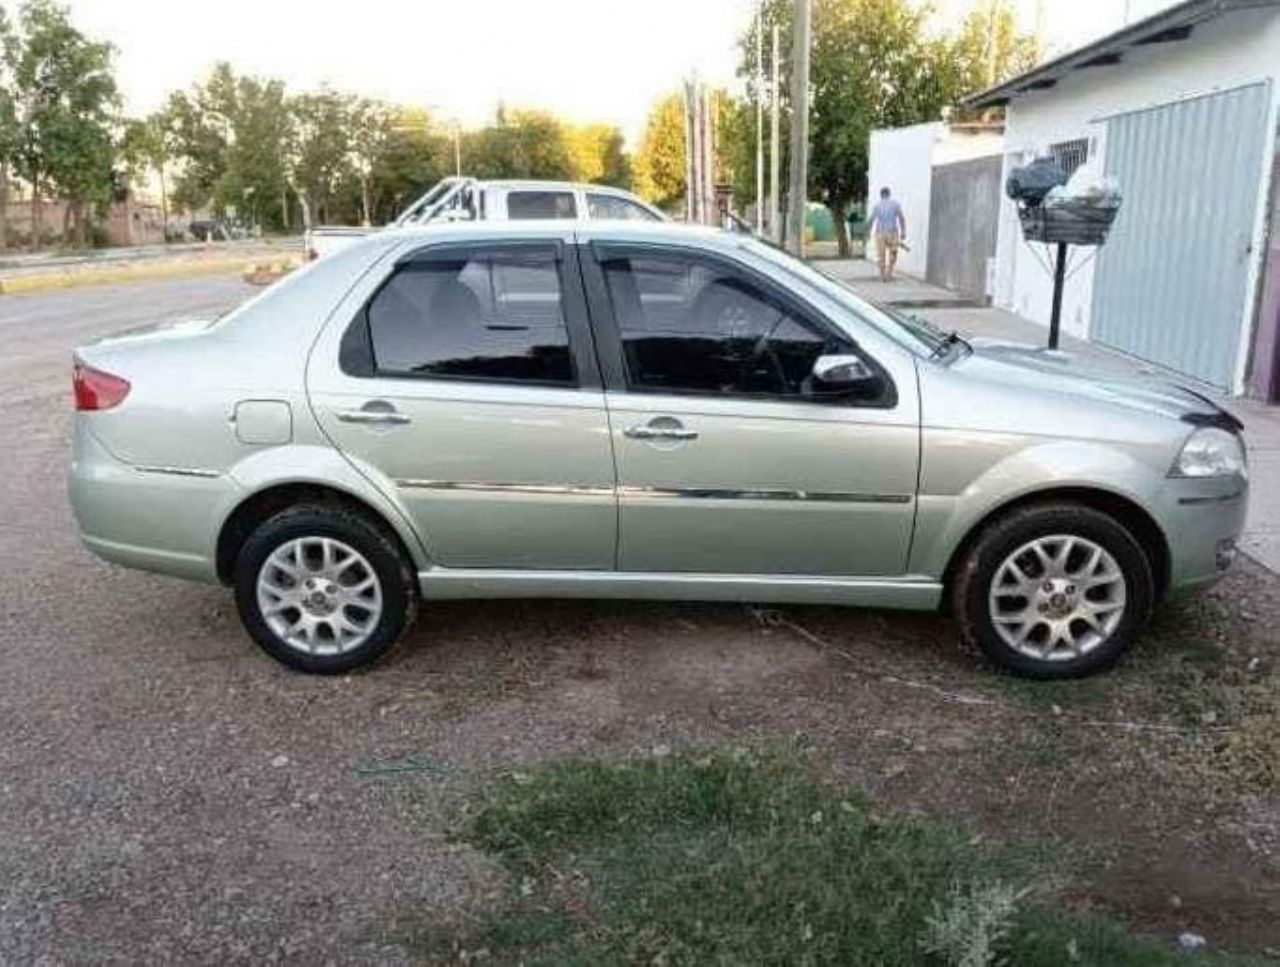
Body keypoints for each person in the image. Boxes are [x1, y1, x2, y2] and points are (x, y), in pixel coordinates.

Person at [868, 187, 906, 282]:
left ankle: (882, 276)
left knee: (881, 255)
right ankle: (889, 274)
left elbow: (871, 220)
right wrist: (903, 232)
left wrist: (867, 233)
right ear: (889, 194)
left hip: (880, 233)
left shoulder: (877, 206)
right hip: (893, 232)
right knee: (893, 253)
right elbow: (901, 218)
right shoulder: (895, 204)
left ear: (881, 195)